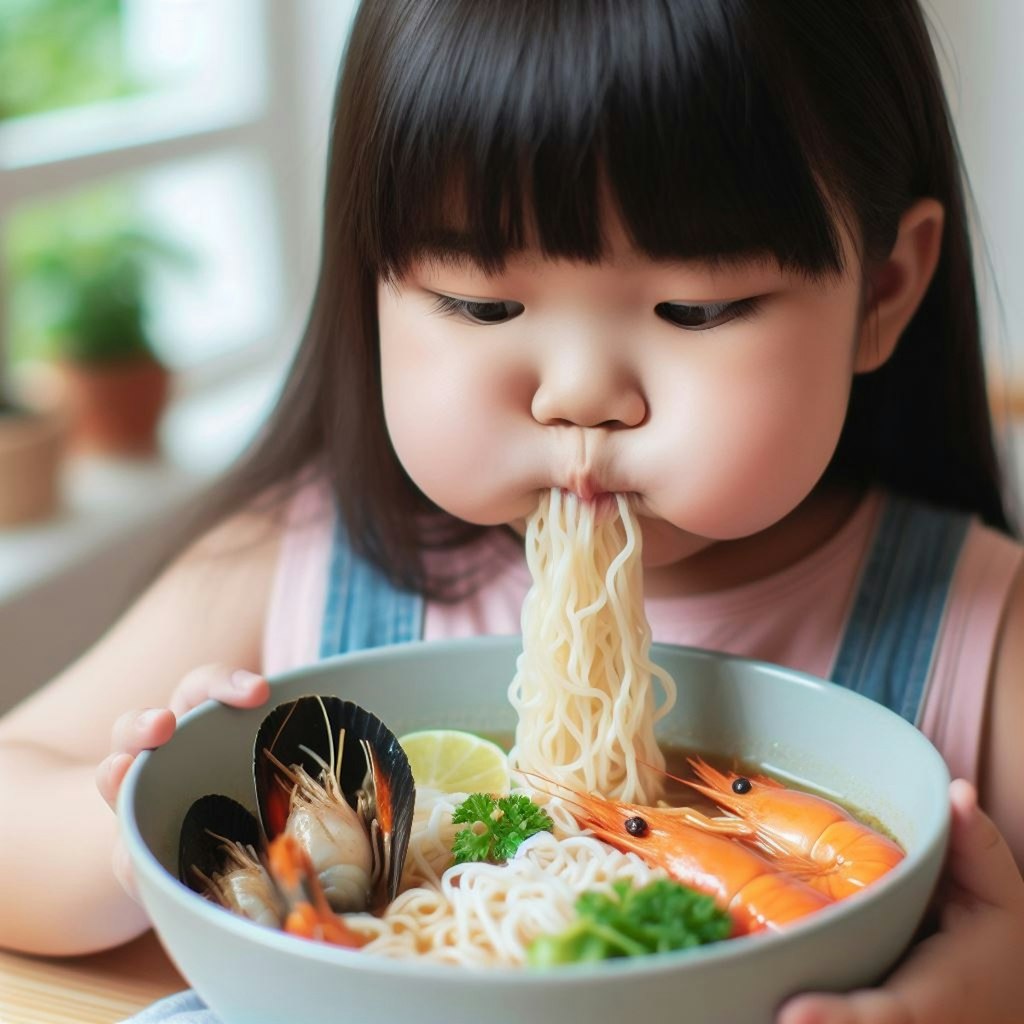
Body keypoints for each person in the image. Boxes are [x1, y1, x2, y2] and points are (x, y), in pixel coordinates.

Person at [1, 1, 1022, 1021]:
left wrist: (995, 987)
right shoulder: (291, 558)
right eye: (484, 305)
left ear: (882, 290)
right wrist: (128, 848)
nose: (577, 391)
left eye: (695, 309)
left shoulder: (979, 628)